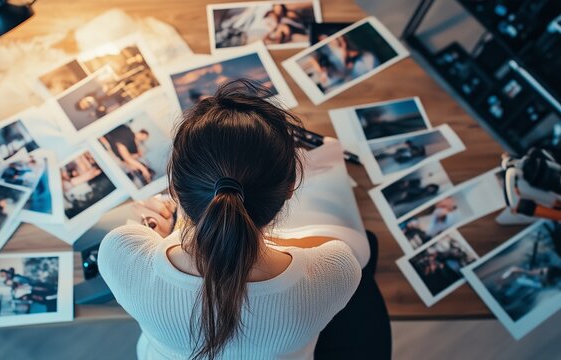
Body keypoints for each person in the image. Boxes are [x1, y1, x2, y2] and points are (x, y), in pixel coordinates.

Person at [98, 80, 378, 359]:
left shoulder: (119, 253)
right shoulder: (338, 269)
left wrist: (168, 235)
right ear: (291, 186)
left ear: (173, 187)